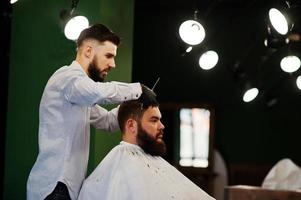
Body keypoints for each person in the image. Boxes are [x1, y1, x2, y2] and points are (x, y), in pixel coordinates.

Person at [26, 23, 147, 200]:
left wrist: (133, 103)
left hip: (66, 189)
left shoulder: (79, 94)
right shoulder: (67, 78)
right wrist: (138, 90)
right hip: (54, 188)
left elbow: (107, 121)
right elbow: (97, 92)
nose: (113, 64)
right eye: (108, 56)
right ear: (88, 51)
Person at [78, 92, 215, 200]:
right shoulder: (111, 176)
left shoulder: (155, 163)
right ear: (131, 125)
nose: (162, 126)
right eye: (154, 120)